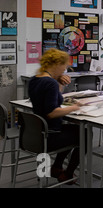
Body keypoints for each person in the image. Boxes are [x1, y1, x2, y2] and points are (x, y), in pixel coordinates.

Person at [28, 48, 82, 184]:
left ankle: (57, 167)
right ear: (57, 64)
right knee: (84, 134)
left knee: (73, 130)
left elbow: (54, 98)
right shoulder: (50, 83)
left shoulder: (34, 79)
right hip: (50, 135)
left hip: (37, 134)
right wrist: (75, 107)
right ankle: (68, 174)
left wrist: (59, 81)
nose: (65, 70)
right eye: (64, 66)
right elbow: (52, 112)